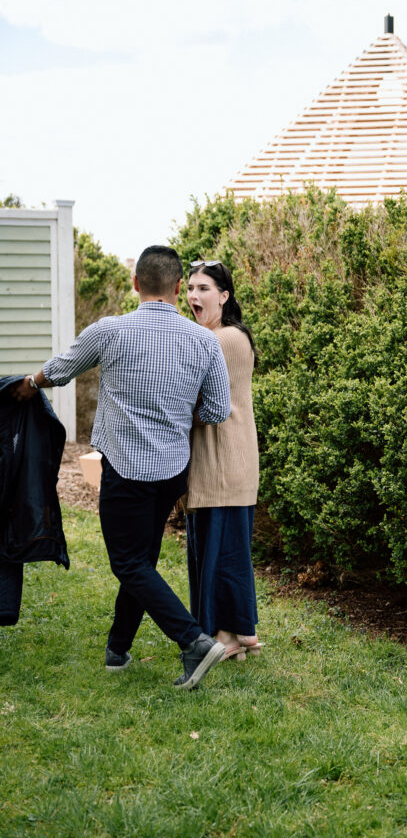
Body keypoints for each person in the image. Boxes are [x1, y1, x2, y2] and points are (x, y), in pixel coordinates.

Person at [11, 245, 231, 689]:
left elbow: (61, 369)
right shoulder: (205, 341)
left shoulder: (110, 331)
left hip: (126, 470)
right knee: (143, 558)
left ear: (135, 284)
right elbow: (216, 411)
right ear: (175, 288)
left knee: (129, 563)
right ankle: (118, 649)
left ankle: (194, 642)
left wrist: (30, 384)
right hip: (172, 472)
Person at [184, 259, 261, 659]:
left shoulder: (221, 339)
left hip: (223, 462)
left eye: (204, 289)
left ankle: (228, 637)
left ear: (224, 296)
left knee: (220, 553)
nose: (194, 296)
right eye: (191, 288)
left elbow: (197, 404)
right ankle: (234, 632)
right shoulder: (218, 336)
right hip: (224, 462)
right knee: (223, 551)